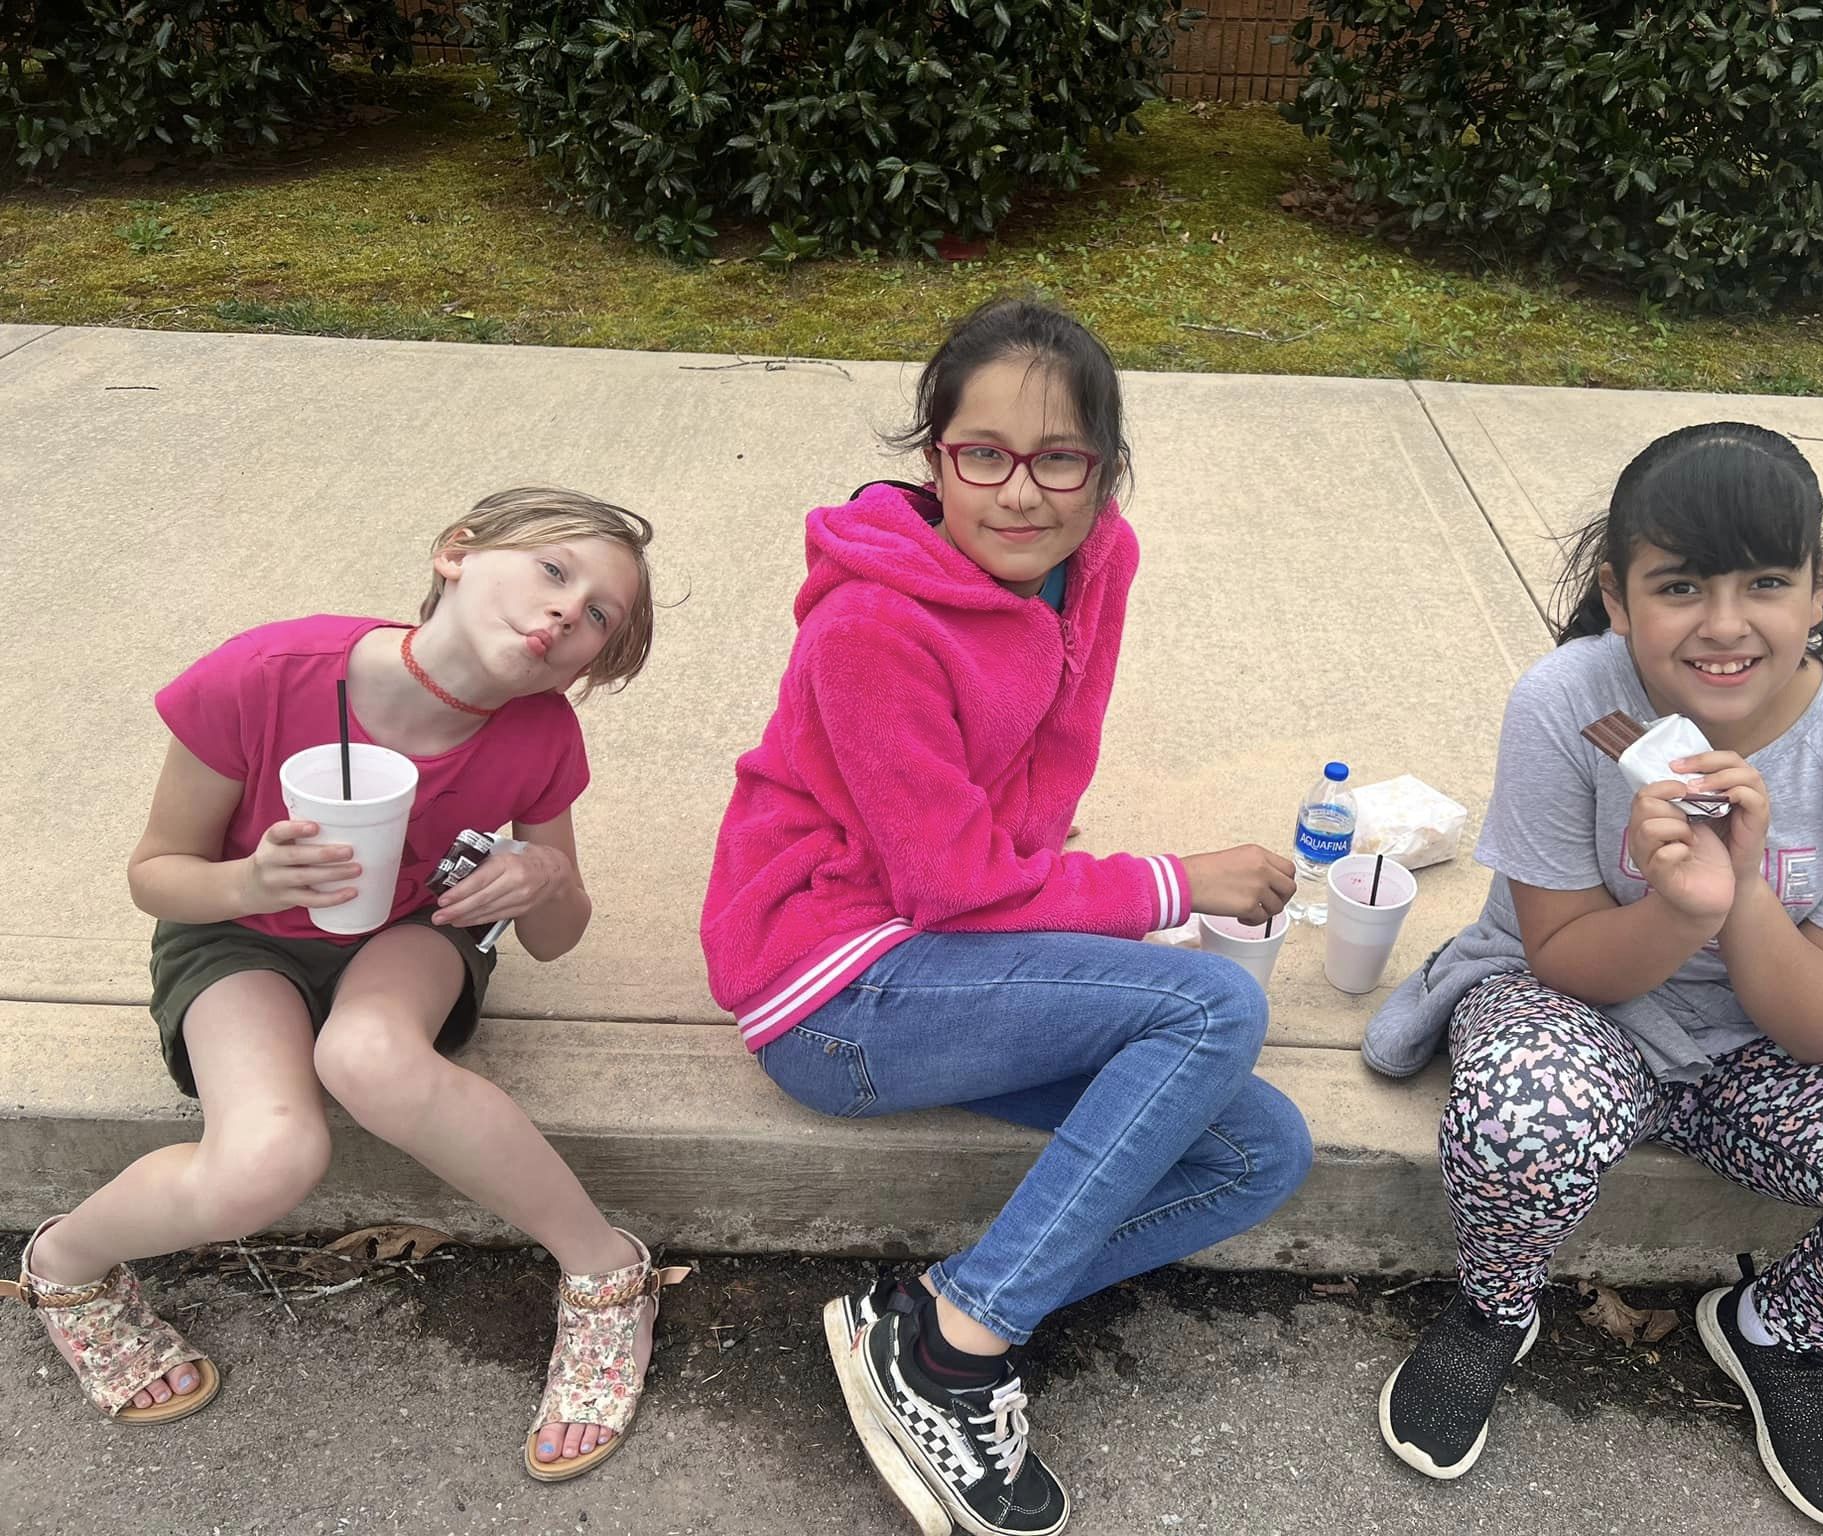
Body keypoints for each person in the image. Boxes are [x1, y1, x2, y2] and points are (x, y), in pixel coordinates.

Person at [700, 297, 1314, 1536]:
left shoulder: (1096, 565)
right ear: (933, 456)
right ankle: (953, 1361)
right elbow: (948, 882)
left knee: (1258, 1151)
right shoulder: (871, 624)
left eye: (1058, 459)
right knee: (1211, 1005)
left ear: (1104, 466)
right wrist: (1162, 885)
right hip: (834, 993)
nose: (1018, 493)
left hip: (944, 953)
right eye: (980, 454)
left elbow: (1038, 779)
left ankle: (942, 1307)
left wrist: (1062, 903)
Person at [1363, 422, 1823, 1531]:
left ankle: (1774, 1329)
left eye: (1764, 583)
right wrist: (1675, 909)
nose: (1723, 626)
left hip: (1773, 1047)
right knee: (1519, 1117)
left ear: (1816, 590)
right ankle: (1494, 1306)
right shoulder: (1568, 704)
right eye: (1677, 586)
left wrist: (1737, 889)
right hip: (1587, 1006)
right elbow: (1562, 960)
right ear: (1618, 596)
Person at [2, 489, 685, 1482]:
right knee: (264, 1160)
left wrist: (543, 876)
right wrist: (252, 881)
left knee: (365, 1054)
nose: (562, 615)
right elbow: (157, 872)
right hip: (237, 937)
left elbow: (555, 936)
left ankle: (606, 1273)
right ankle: (63, 1265)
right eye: (551, 571)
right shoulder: (265, 675)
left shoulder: (537, 738)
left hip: (411, 935)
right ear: (457, 553)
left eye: (597, 618)